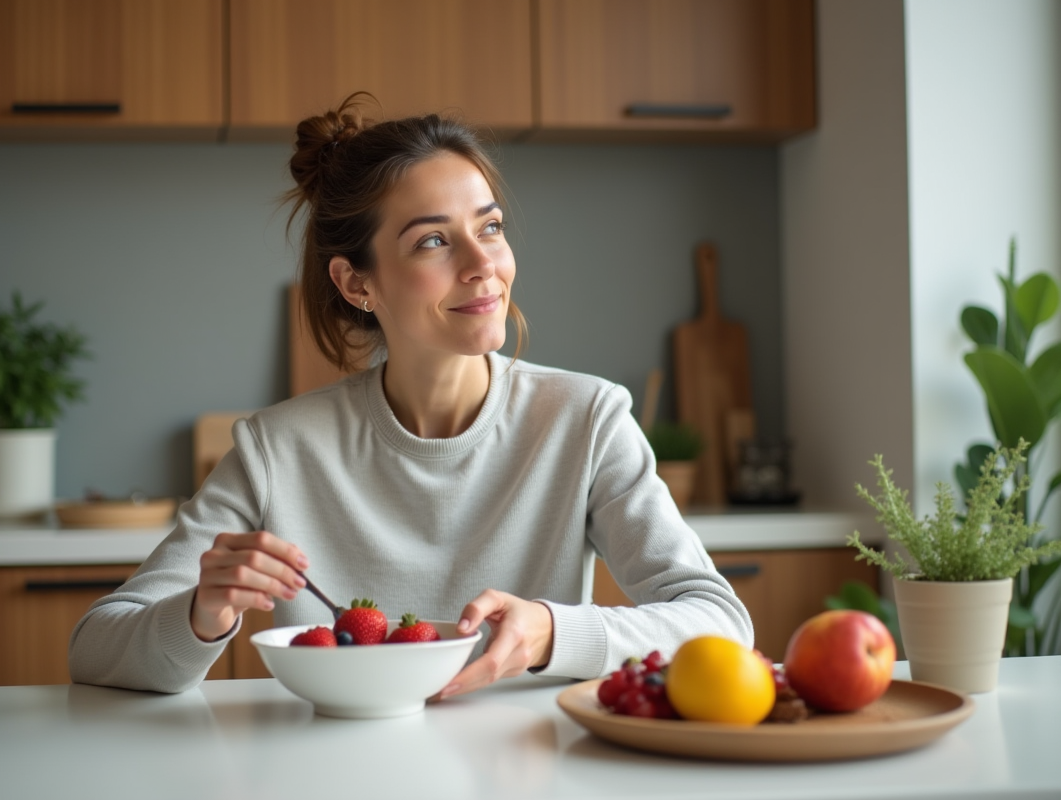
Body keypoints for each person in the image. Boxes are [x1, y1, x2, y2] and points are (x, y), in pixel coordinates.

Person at [69, 95, 752, 695]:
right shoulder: (277, 449)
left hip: (527, 769)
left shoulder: (586, 419)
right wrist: (199, 614)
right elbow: (95, 646)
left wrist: (553, 630)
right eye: (432, 241)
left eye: (490, 227)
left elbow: (721, 622)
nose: (483, 265)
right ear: (356, 283)